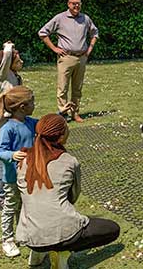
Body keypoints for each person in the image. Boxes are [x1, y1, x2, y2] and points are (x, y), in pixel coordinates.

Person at [16, 114, 120, 269]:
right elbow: (73, 196)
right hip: (63, 233)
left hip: (29, 234)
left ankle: (38, 253)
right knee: (112, 229)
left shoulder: (23, 160)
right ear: (61, 136)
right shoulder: (69, 161)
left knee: (42, 215)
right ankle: (62, 252)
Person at [38, 0, 99, 122]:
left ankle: (75, 113)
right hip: (66, 57)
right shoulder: (60, 18)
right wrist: (54, 48)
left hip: (81, 58)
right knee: (62, 88)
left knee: (77, 88)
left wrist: (90, 49)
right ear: (68, 4)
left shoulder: (85, 18)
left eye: (78, 3)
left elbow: (95, 33)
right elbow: (43, 33)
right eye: (73, 3)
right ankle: (63, 113)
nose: (76, 6)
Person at [0, 86, 38, 258]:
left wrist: (61, 114)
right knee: (10, 207)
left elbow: (45, 123)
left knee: (25, 205)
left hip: (28, 176)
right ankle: (7, 240)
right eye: (32, 101)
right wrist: (13, 155)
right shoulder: (8, 128)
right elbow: (0, 152)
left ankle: (22, 234)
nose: (35, 104)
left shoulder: (30, 122)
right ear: (22, 107)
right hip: (12, 178)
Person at [0, 41, 24, 212]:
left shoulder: (15, 76)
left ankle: (15, 191)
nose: (22, 62)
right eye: (18, 59)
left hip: (14, 124)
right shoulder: (4, 75)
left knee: (15, 158)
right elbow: (6, 58)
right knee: (3, 162)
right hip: (4, 125)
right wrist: (8, 47)